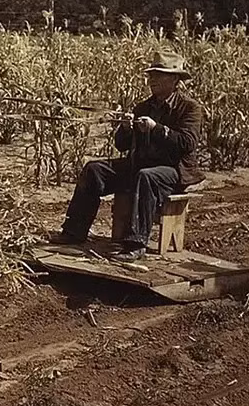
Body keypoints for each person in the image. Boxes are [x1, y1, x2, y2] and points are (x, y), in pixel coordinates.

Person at [51, 51, 205, 261]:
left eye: (159, 75)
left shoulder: (190, 108)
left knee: (147, 176)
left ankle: (135, 243)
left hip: (173, 170)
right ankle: (73, 232)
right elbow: (121, 145)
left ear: (175, 79)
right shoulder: (144, 107)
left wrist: (156, 128)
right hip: (140, 165)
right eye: (151, 75)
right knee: (94, 170)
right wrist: (126, 129)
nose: (152, 80)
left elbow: (187, 144)